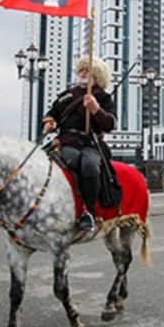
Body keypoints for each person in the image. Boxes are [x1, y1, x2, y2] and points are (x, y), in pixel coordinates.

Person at [42, 56, 116, 233]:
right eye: (82, 69)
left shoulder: (102, 97)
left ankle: (88, 212)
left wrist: (96, 109)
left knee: (89, 165)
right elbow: (51, 115)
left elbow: (110, 124)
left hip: (88, 143)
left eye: (88, 70)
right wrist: (50, 123)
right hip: (64, 141)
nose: (84, 72)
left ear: (97, 76)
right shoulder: (66, 95)